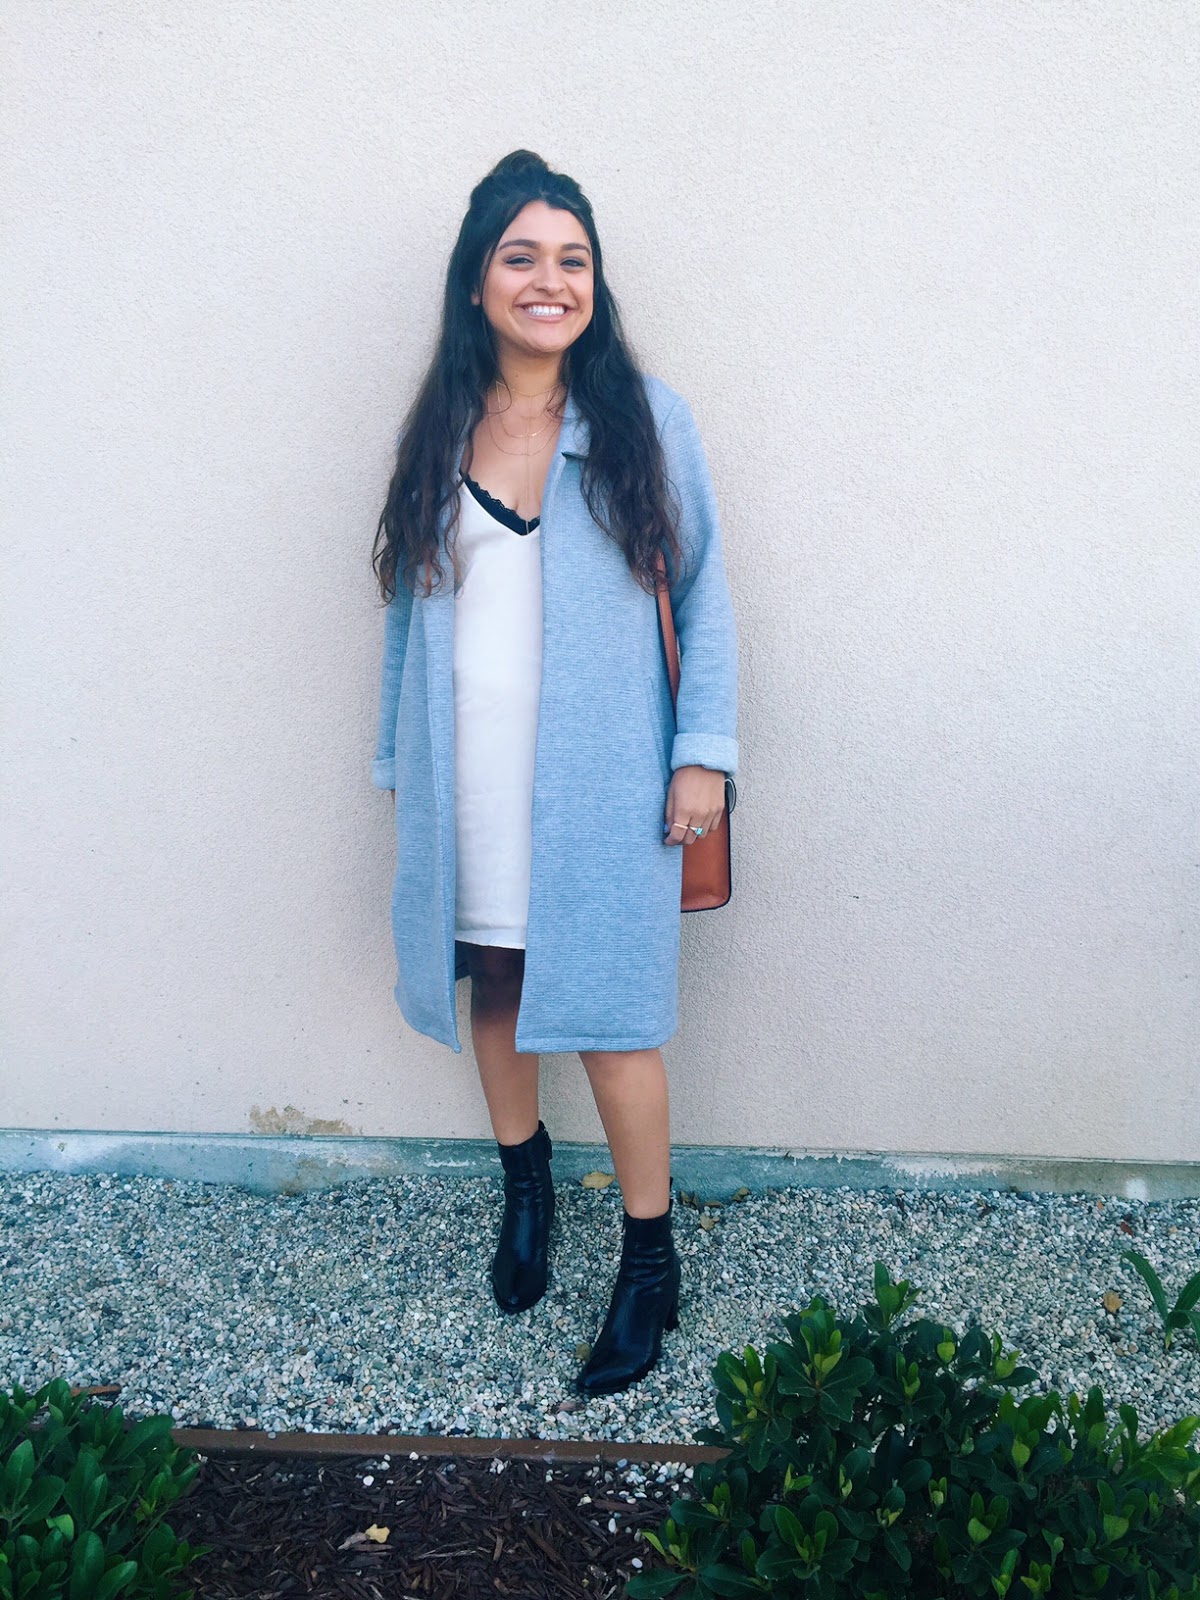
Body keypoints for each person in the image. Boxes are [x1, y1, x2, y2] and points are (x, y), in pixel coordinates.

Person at [370, 150, 738, 1396]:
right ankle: (525, 1185)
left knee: (615, 1020)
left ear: (596, 283)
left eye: (572, 259)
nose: (550, 280)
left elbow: (706, 594)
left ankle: (648, 1261)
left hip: (603, 782)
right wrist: (398, 762)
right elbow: (406, 614)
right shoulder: (443, 427)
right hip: (470, 776)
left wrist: (703, 754)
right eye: (522, 256)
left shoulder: (647, 419)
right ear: (478, 282)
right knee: (497, 980)